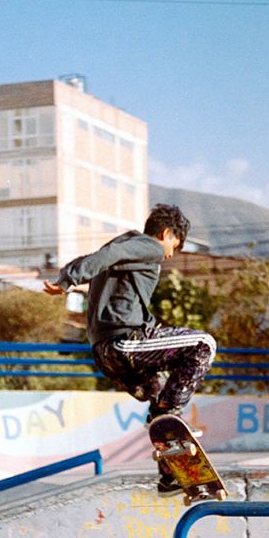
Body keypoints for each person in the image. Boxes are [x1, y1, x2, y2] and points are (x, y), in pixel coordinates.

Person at [44, 203, 216, 495]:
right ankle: (171, 415)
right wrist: (69, 279)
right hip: (124, 342)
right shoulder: (148, 247)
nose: (170, 255)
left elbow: (105, 258)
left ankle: (170, 476)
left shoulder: (119, 250)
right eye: (174, 246)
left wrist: (71, 280)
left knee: (161, 402)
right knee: (204, 344)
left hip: (103, 353)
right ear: (165, 233)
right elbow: (110, 256)